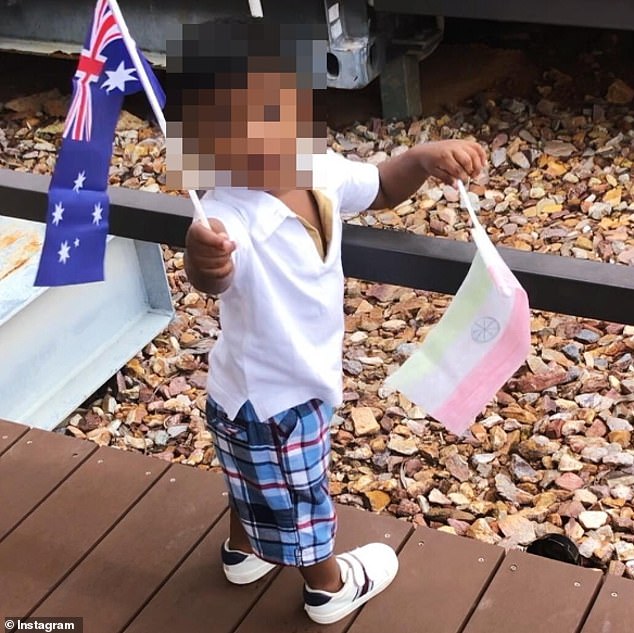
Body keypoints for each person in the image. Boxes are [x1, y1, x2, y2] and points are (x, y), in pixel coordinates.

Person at [168, 16, 486, 625]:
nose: (271, 133)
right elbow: (211, 274)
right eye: (240, 123)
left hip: (270, 386)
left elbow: (380, 186)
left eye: (281, 108)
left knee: (254, 479)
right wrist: (201, 258)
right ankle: (327, 585)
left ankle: (243, 551)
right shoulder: (226, 215)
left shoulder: (318, 170)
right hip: (272, 398)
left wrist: (420, 158)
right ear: (205, 142)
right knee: (301, 494)